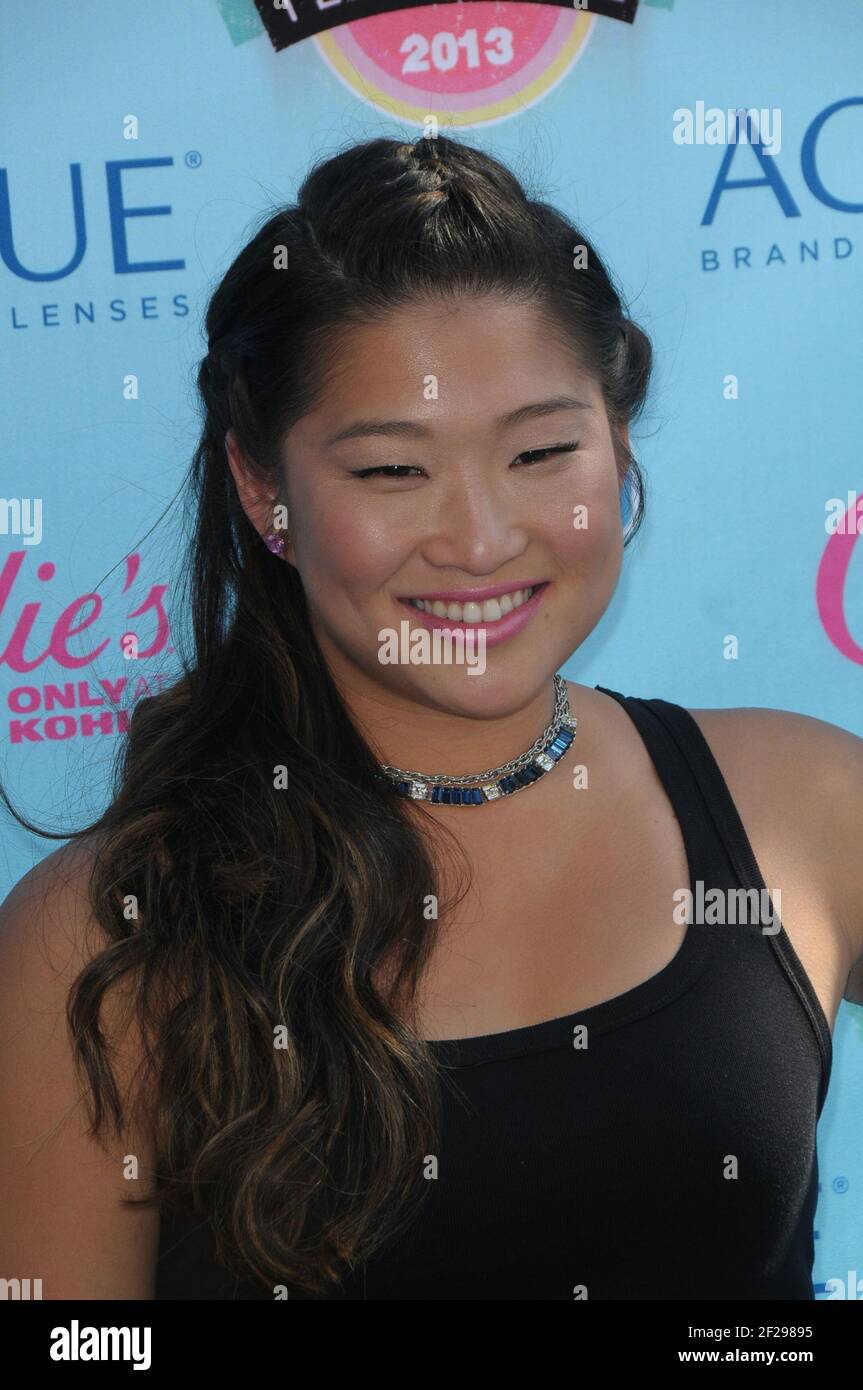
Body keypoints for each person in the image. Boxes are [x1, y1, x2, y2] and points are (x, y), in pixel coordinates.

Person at [0, 135, 861, 1302]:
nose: (479, 539)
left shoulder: (802, 802)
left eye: (541, 452)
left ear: (615, 442)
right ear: (265, 491)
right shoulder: (105, 933)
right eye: (392, 472)